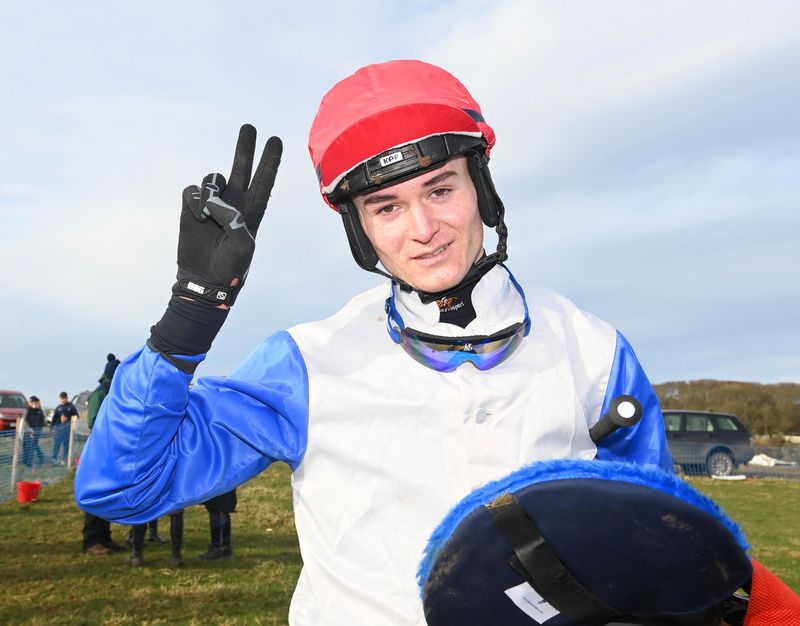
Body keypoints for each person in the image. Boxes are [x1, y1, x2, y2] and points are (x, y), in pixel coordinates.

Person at [76, 60, 673, 624]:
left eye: (440, 190)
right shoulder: (306, 362)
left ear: (481, 186)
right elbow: (122, 488)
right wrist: (190, 316)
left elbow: (658, 552)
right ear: (359, 228)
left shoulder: (594, 350)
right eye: (387, 207)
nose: (423, 230)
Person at [82, 374, 126, 555]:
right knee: (96, 494)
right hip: (99, 450)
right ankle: (91, 541)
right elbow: (93, 421)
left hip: (111, 449)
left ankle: (105, 538)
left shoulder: (114, 392)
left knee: (106, 495)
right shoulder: (99, 394)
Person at [199, 489, 236, 561]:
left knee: (215, 509)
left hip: (217, 485)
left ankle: (217, 548)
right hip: (227, 485)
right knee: (223, 509)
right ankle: (226, 547)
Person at [50, 391, 77, 465]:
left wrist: (68, 419)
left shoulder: (71, 407)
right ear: (59, 399)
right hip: (58, 430)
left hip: (67, 430)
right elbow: (54, 419)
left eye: (64, 398)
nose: (63, 400)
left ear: (67, 398)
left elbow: (76, 416)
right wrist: (52, 428)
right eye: (61, 398)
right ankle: (54, 459)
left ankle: (64, 460)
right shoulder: (58, 408)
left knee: (66, 446)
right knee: (57, 445)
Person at [22, 395, 46, 467]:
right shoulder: (27, 410)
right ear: (31, 403)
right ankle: (25, 462)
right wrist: (30, 430)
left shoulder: (40, 411)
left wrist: (38, 430)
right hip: (28, 432)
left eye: (36, 402)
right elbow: (25, 421)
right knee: (26, 447)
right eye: (33, 402)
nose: (35, 404)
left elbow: (42, 421)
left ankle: (29, 463)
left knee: (32, 448)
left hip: (36, 432)